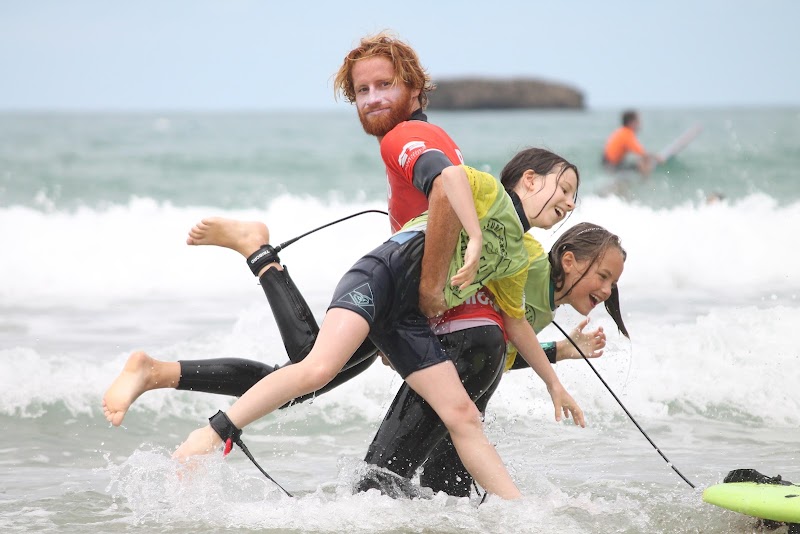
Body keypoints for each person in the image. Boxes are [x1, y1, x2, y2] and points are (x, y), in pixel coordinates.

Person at [101, 32, 604, 495]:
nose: (372, 98)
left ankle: (212, 312)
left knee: (315, 372)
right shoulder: (410, 138)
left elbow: (503, 301)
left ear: (415, 89)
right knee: (311, 368)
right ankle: (248, 280)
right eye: (362, 91)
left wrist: (552, 372)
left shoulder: (416, 142)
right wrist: (449, 271)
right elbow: (445, 187)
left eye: (385, 85)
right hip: (393, 287)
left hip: (406, 304)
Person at [168, 159, 596, 501]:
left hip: (408, 317)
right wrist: (476, 237)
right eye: (563, 188)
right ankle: (211, 434)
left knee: (463, 415)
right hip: (382, 277)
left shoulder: (518, 257)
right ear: (529, 180)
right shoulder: (491, 194)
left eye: (574, 197)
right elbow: (448, 179)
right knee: (318, 367)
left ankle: (517, 512)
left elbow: (515, 322)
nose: (569, 201)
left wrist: (553, 382)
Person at [602, 110, 664, 176]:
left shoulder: (621, 131)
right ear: (631, 123)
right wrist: (657, 157)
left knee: (640, 161)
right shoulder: (627, 135)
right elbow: (643, 154)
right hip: (611, 166)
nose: (640, 124)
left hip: (606, 163)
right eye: (638, 121)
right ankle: (645, 181)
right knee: (643, 163)